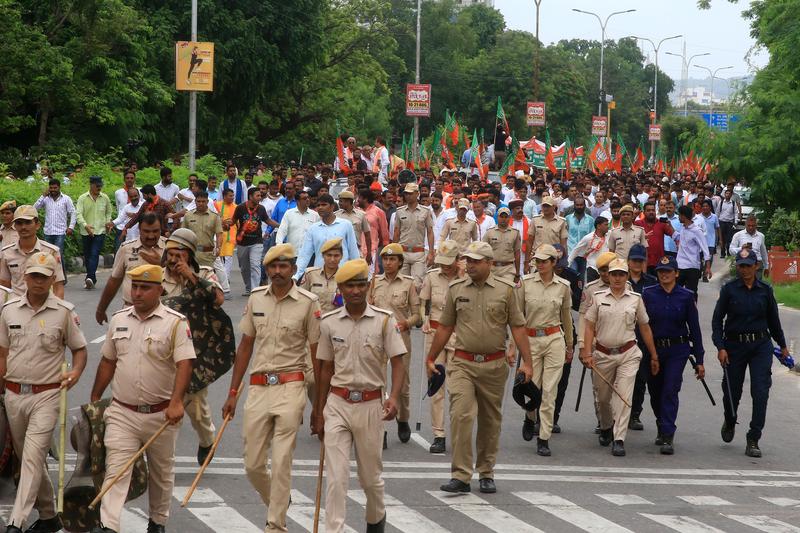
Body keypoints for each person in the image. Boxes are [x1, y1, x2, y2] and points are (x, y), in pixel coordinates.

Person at [221, 243, 320, 530]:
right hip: (258, 387)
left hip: (292, 386)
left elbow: (317, 354)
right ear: (266, 269)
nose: (277, 272)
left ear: (293, 269)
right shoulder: (256, 299)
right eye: (272, 267)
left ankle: (275, 524)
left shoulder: (308, 302)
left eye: (283, 266)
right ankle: (279, 499)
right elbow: (245, 348)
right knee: (252, 465)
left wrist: (320, 407)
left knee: (281, 460)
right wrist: (232, 393)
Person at [90, 265, 195, 533]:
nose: (137, 293)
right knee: (116, 470)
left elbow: (185, 364)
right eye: (134, 286)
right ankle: (109, 526)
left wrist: (176, 402)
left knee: (161, 473)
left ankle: (157, 521)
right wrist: (95, 397)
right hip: (123, 411)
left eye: (145, 287)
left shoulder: (175, 323)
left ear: (160, 289)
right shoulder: (119, 319)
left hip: (161, 414)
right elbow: (107, 361)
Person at [426, 241, 533, 494]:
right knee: (461, 416)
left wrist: (527, 362)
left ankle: (486, 471)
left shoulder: (506, 291)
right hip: (462, 363)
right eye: (468, 261)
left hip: (494, 365)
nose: (469, 265)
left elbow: (517, 327)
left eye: (475, 261)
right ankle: (461, 475)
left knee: (489, 421)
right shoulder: (456, 289)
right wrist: (431, 358)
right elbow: (445, 327)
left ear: (489, 263)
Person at [312, 258, 406, 533]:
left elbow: (398, 361)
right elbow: (325, 369)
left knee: (370, 479)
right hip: (338, 403)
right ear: (339, 288)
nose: (355, 290)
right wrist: (318, 412)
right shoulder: (329, 323)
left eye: (360, 285)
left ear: (368, 286)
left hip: (370, 404)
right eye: (349, 286)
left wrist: (395, 397)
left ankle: (376, 519)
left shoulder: (384, 321)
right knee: (336, 478)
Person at [0, 253, 87, 533]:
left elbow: (80, 350)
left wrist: (74, 373)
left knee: (32, 454)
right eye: (33, 275)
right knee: (30, 457)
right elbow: (3, 353)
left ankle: (16, 521)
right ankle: (50, 515)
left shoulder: (63, 312)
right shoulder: (9, 310)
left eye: (44, 276)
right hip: (13, 395)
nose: (38, 281)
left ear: (53, 279)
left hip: (47, 395)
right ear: (24, 276)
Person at [712, 249, 789, 458]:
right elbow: (717, 321)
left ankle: (754, 437)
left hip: (760, 346)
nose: (744, 269)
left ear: (756, 266)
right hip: (734, 346)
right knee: (731, 392)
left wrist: (782, 345)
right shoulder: (729, 290)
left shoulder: (765, 290)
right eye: (741, 265)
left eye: (748, 265)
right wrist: (720, 347)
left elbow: (774, 320)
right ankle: (730, 418)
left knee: (761, 391)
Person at [581, 258, 659, 457]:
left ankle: (619, 438)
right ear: (608, 276)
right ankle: (606, 426)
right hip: (603, 354)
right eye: (613, 274)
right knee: (603, 397)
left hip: (628, 353)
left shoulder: (635, 298)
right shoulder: (598, 297)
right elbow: (589, 326)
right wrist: (587, 352)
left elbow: (645, 326)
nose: (617, 278)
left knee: (624, 396)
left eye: (621, 274)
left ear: (627, 276)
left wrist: (654, 355)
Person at [160, 228, 224, 464]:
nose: (174, 260)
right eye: (170, 254)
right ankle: (164, 457)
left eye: (180, 254)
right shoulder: (157, 276)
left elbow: (217, 299)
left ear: (190, 255)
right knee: (163, 404)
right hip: (163, 351)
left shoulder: (205, 273)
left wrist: (191, 276)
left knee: (196, 407)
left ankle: (207, 440)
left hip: (195, 351)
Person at [642, 255, 705, 455]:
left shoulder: (686, 296)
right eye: (661, 272)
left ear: (676, 273)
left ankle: (668, 433)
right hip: (654, 350)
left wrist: (700, 360)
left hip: (678, 350)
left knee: (670, 389)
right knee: (655, 390)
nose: (664, 275)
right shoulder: (648, 294)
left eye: (668, 272)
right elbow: (642, 326)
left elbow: (694, 328)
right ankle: (661, 423)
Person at [519, 244, 573, 457]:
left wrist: (570, 345)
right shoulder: (525, 283)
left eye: (544, 261)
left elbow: (567, 318)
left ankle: (543, 437)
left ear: (553, 263)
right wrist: (514, 346)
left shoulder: (563, 286)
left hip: (553, 339)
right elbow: (517, 318)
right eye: (537, 261)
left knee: (549, 391)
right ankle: (530, 417)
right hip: (530, 339)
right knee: (532, 387)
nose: (540, 265)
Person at [369, 243, 420, 445]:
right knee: (378, 383)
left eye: (392, 260)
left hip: (400, 337)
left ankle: (403, 419)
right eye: (385, 259)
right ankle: (381, 429)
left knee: (403, 384)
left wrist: (406, 323)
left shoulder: (408, 284)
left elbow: (418, 315)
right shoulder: (374, 282)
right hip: (377, 338)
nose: (388, 263)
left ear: (400, 263)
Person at [419, 240, 462, 454]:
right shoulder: (432, 277)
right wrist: (424, 319)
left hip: (457, 334)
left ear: (457, 260)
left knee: (456, 386)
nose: (444, 266)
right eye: (442, 262)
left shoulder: (466, 279)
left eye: (449, 262)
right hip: (435, 334)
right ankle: (439, 434)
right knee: (436, 384)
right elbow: (424, 302)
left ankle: (457, 431)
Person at [96, 213, 166, 322]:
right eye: (146, 231)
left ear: (161, 229)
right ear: (139, 229)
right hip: (131, 312)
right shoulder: (126, 249)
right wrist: (101, 309)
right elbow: (114, 281)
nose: (151, 236)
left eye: (155, 231)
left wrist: (161, 264)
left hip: (162, 315)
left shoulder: (170, 248)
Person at [0, 205, 65, 299]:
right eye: (19, 223)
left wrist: (57, 312)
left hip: (44, 308)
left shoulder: (51, 251)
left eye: (28, 222)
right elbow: (4, 287)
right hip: (16, 308)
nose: (23, 227)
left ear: (37, 225)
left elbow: (58, 287)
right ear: (15, 226)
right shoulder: (7, 252)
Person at [626, 244, 658, 432]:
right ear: (628, 261)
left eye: (640, 260)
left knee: (640, 379)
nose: (637, 264)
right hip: (624, 334)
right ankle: (615, 415)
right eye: (634, 260)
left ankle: (635, 414)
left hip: (644, 335)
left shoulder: (652, 282)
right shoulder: (620, 278)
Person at [295, 194, 360, 280]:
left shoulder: (345, 225)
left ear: (332, 206)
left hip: (342, 274)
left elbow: (353, 251)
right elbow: (305, 254)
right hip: (319, 275)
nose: (320, 208)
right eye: (318, 205)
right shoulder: (313, 228)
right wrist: (295, 276)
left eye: (324, 205)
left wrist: (357, 273)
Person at [233, 187, 276, 295]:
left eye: (260, 195)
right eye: (257, 195)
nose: (260, 197)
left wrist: (281, 225)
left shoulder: (261, 208)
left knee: (255, 265)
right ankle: (248, 288)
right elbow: (233, 221)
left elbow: (268, 221)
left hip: (257, 241)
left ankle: (255, 290)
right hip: (242, 242)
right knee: (244, 268)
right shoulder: (240, 208)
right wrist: (226, 224)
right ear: (250, 196)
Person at [393, 183, 434, 288]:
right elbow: (396, 232)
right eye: (406, 194)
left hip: (418, 253)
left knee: (417, 284)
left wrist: (431, 252)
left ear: (417, 194)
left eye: (411, 194)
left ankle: (417, 304)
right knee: (401, 283)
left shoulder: (426, 211)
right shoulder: (399, 211)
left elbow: (430, 232)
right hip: (403, 251)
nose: (408, 196)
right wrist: (393, 251)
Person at [75, 176, 114, 289]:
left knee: (94, 253)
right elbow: (78, 214)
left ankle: (90, 278)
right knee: (88, 255)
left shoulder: (105, 198)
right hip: (86, 231)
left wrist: (108, 222)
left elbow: (108, 213)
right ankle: (92, 278)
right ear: (91, 185)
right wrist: (85, 225)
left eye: (100, 185)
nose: (99, 187)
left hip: (100, 231)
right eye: (97, 185)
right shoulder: (83, 198)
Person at [33, 178, 76, 280]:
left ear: (59, 187)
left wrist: (71, 227)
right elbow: (34, 208)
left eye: (55, 188)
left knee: (58, 255)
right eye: (51, 188)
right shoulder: (46, 199)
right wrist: (42, 196)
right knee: (48, 255)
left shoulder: (66, 199)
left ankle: (61, 278)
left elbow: (73, 212)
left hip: (60, 232)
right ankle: (50, 277)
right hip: (48, 231)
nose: (53, 190)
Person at [674, 205, 711, 299]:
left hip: (692, 268)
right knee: (676, 292)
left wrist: (707, 267)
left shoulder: (697, 231)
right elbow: (678, 238)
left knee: (691, 294)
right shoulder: (683, 229)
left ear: (683, 216)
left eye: (679, 215)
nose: (678, 217)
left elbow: (705, 249)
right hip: (680, 266)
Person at [525, 196, 567, 272]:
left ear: (554, 207)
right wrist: (526, 262)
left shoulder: (561, 222)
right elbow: (529, 242)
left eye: (548, 206)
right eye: (544, 206)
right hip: (537, 259)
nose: (545, 208)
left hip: (553, 260)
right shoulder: (535, 220)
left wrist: (563, 262)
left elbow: (563, 245)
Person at [635, 201, 675, 275]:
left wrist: (670, 225)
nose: (651, 212)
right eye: (648, 210)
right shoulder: (638, 223)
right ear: (643, 212)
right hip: (642, 262)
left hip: (659, 262)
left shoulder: (661, 224)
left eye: (653, 210)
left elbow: (674, 235)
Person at [482, 207, 521, 282]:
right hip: (492, 268)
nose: (503, 219)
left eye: (506, 217)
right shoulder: (489, 232)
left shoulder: (515, 233)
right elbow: (484, 252)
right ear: (497, 217)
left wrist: (517, 273)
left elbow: (517, 254)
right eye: (501, 216)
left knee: (507, 292)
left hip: (508, 269)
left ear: (510, 218)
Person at [336, 191, 372, 264]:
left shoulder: (361, 215)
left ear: (348, 201)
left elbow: (367, 235)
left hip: (357, 250)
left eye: (341, 201)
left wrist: (369, 253)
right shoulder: (336, 215)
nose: (339, 203)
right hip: (340, 251)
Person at [215, 188, 237, 298]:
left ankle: (226, 280)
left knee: (228, 258)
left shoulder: (236, 207)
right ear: (224, 196)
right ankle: (221, 279)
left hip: (231, 236)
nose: (232, 198)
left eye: (233, 196)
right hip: (219, 236)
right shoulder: (217, 205)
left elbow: (237, 222)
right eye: (230, 195)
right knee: (219, 258)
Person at [701, 199, 722, 281]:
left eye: (707, 206)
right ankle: (701, 270)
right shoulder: (698, 217)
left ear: (710, 207)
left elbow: (718, 228)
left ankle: (705, 275)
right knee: (700, 259)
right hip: (700, 242)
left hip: (710, 242)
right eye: (703, 206)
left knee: (709, 259)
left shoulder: (714, 217)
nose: (705, 208)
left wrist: (720, 239)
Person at [718, 189, 737, 258]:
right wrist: (717, 222)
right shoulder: (721, 202)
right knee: (722, 238)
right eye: (726, 193)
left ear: (731, 195)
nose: (727, 195)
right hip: (722, 222)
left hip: (729, 223)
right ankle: (722, 253)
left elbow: (736, 212)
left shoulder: (733, 203)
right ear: (724, 194)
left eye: (729, 193)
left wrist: (735, 222)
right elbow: (717, 212)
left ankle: (729, 252)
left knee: (729, 239)